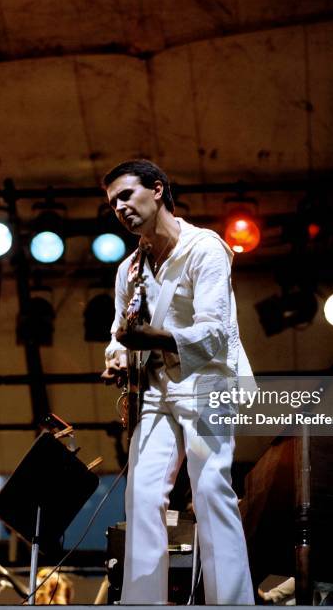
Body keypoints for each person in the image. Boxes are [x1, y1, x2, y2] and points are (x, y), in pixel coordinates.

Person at [101, 159, 255, 604]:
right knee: (142, 494)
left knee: (209, 489)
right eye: (113, 203)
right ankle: (143, 602)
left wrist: (154, 336)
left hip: (207, 380)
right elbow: (119, 333)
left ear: (158, 189)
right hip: (155, 388)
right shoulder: (128, 269)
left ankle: (233, 602)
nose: (120, 208)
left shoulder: (205, 249)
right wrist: (117, 358)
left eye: (127, 195)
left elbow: (214, 334)